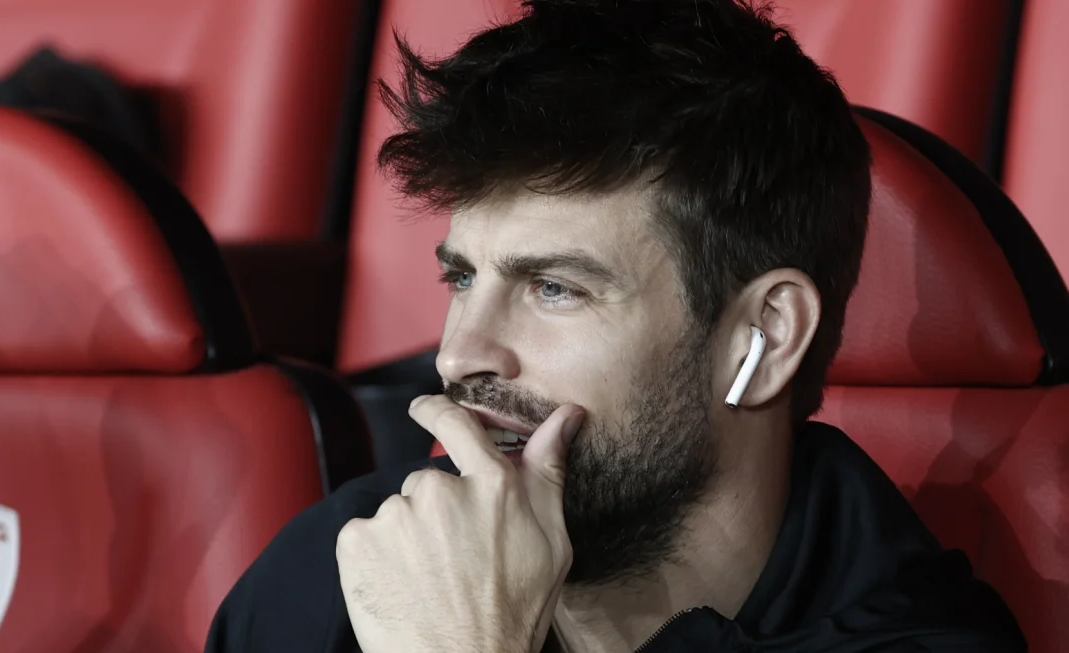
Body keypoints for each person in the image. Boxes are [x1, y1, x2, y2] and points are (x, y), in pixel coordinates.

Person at [205, 0, 1025, 651]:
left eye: (554, 288)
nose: (459, 354)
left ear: (765, 336)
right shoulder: (347, 562)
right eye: (462, 277)